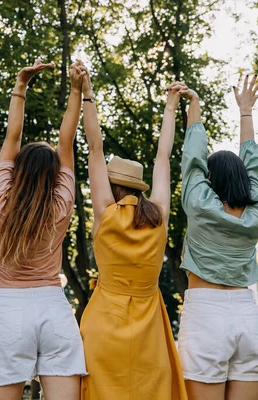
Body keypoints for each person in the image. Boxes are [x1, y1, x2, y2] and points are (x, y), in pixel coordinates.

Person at [78, 63, 188, 399]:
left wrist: (87, 94)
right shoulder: (159, 217)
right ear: (138, 188)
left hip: (102, 325)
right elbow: (163, 157)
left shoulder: (105, 213)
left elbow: (94, 149)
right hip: (149, 331)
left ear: (113, 186)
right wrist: (171, 106)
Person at [0, 59, 87, 400]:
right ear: (55, 175)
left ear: (17, 170)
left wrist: (21, 84)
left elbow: (12, 135)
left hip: (8, 312)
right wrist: (75, 90)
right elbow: (66, 141)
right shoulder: (61, 204)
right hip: (54, 309)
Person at [176, 76, 258, 400]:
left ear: (209, 179)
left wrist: (194, 104)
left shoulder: (200, 205)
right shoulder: (256, 214)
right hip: (247, 314)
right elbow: (254, 163)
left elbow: (193, 159)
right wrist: (246, 111)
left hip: (205, 316)